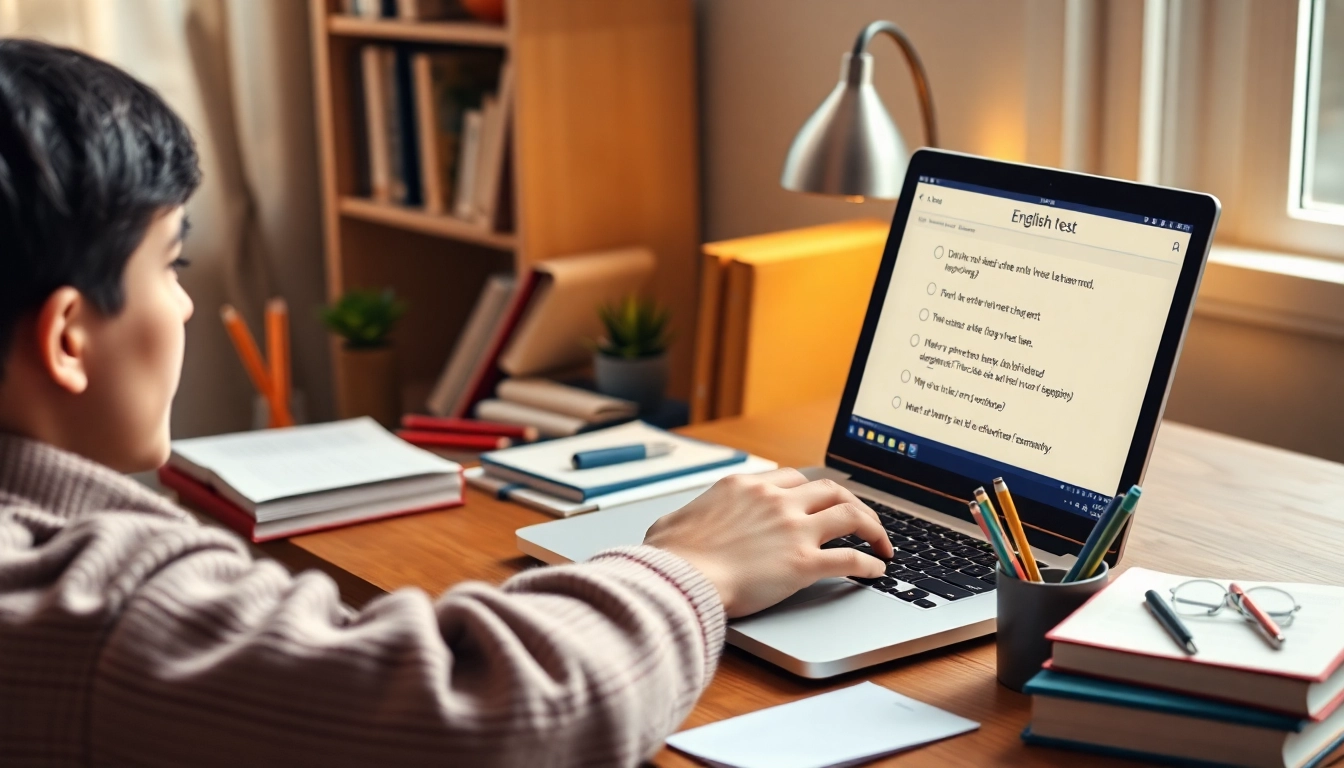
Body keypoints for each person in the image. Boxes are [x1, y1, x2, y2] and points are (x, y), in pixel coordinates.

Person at [0, 39, 894, 767]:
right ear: (70, 336)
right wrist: (700, 567)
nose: (186, 302)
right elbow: (499, 711)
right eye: (171, 263)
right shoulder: (90, 611)